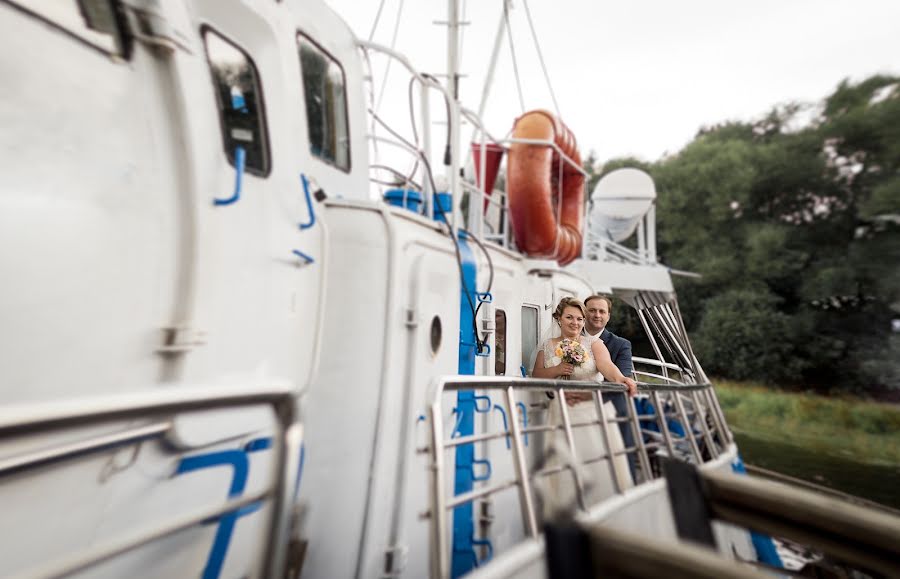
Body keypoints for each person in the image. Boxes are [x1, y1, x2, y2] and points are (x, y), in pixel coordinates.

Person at [531, 297, 636, 511]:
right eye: (569, 317)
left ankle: (604, 511)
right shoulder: (547, 346)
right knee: (565, 466)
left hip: (591, 413)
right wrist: (557, 370)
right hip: (561, 411)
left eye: (579, 318)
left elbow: (606, 366)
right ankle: (568, 513)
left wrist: (621, 379)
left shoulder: (594, 344)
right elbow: (537, 375)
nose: (575, 322)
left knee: (598, 462)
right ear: (559, 319)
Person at [583, 294, 639, 478]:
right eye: (592, 310)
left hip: (610, 406)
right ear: (584, 312)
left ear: (608, 316)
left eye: (602, 311)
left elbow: (619, 380)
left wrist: (584, 397)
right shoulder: (568, 338)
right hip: (572, 407)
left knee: (620, 468)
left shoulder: (621, 344)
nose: (597, 315)